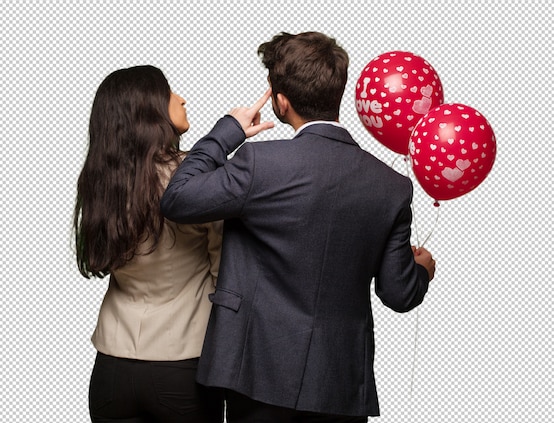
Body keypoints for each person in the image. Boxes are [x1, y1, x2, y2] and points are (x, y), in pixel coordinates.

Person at [160, 32, 436, 422]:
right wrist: (422, 271)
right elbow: (398, 292)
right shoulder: (392, 186)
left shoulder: (259, 163)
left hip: (256, 374)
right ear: (337, 92)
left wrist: (227, 132)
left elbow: (177, 199)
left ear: (281, 101)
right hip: (339, 384)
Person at [73, 65, 224, 422]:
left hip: (111, 367)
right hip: (181, 365)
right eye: (169, 91)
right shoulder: (193, 179)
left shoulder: (103, 182)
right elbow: (226, 275)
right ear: (148, 108)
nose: (182, 98)